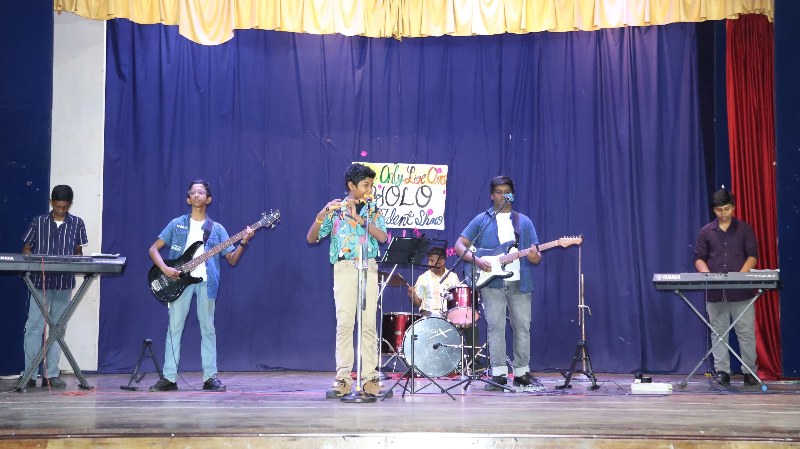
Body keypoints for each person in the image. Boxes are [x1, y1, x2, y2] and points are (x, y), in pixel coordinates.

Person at [148, 180, 254, 392]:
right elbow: (153, 249)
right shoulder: (176, 224)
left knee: (208, 329)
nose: (197, 195)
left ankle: (210, 377)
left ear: (209, 198)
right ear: (188, 199)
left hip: (207, 282)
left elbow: (232, 259)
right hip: (178, 281)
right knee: (174, 328)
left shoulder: (217, 229)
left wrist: (244, 241)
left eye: (201, 192)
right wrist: (166, 269)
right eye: (193, 192)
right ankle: (169, 378)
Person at [307, 163, 389, 398]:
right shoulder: (335, 209)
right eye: (365, 185)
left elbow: (383, 237)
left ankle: (370, 378)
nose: (369, 189)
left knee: (368, 325)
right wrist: (321, 215)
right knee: (345, 324)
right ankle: (343, 378)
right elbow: (311, 238)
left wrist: (360, 220)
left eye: (371, 185)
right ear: (351, 185)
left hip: (368, 267)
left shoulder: (373, 209)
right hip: (344, 268)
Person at [454, 176, 542, 391]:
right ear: (492, 196)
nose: (503, 196)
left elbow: (536, 256)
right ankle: (499, 374)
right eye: (499, 192)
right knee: (495, 327)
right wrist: (476, 260)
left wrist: (533, 256)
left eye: (507, 192)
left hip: (519, 282)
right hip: (492, 283)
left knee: (522, 327)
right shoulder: (481, 220)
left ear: (513, 195)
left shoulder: (524, 221)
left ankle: (521, 373)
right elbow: (459, 245)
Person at [20, 185, 88, 389]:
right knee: (34, 327)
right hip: (39, 284)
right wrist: (31, 262)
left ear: (70, 205)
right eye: (58, 206)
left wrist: (78, 262)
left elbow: (78, 251)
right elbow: (26, 248)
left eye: (65, 207)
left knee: (58, 329)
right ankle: (30, 374)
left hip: (63, 284)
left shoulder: (77, 223)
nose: (61, 210)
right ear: (51, 202)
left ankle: (51, 374)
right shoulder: (38, 222)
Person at [694, 188, 759, 387]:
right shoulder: (705, 232)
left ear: (733, 207)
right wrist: (707, 275)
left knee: (746, 332)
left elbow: (752, 256)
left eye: (727, 209)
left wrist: (739, 277)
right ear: (714, 210)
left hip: (742, 292)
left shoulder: (745, 229)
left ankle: (749, 371)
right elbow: (698, 258)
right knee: (718, 333)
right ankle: (723, 372)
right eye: (719, 210)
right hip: (715, 293)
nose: (723, 213)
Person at [407, 246, 481, 372]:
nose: (429, 263)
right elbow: (417, 303)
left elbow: (458, 298)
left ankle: (474, 363)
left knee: (471, 325)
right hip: (429, 315)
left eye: (432, 260)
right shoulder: (423, 278)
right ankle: (420, 364)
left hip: (449, 316)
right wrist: (412, 295)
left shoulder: (453, 276)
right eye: (429, 260)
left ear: (442, 261)